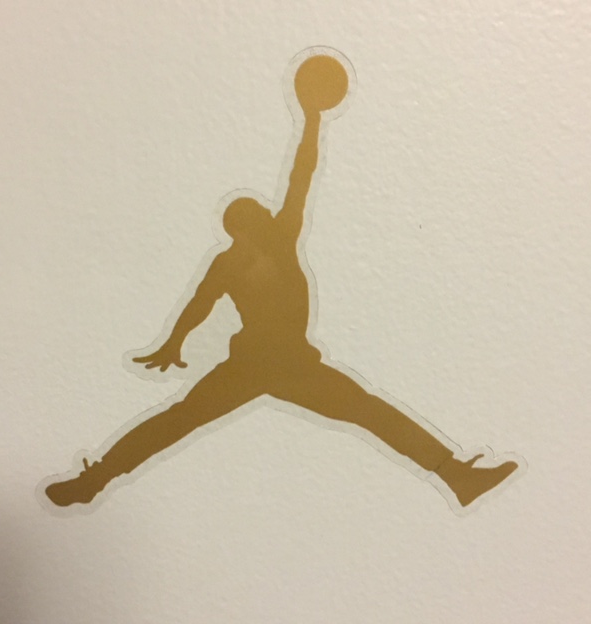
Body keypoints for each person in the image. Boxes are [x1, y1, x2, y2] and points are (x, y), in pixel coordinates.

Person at [44, 53, 518, 509]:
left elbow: (300, 175)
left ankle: (456, 475)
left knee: (360, 412)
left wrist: (312, 119)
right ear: (244, 225)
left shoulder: (269, 244)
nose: (266, 211)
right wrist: (174, 341)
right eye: (255, 212)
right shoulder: (254, 250)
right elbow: (201, 302)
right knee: (186, 419)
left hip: (290, 364)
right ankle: (93, 480)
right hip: (259, 364)